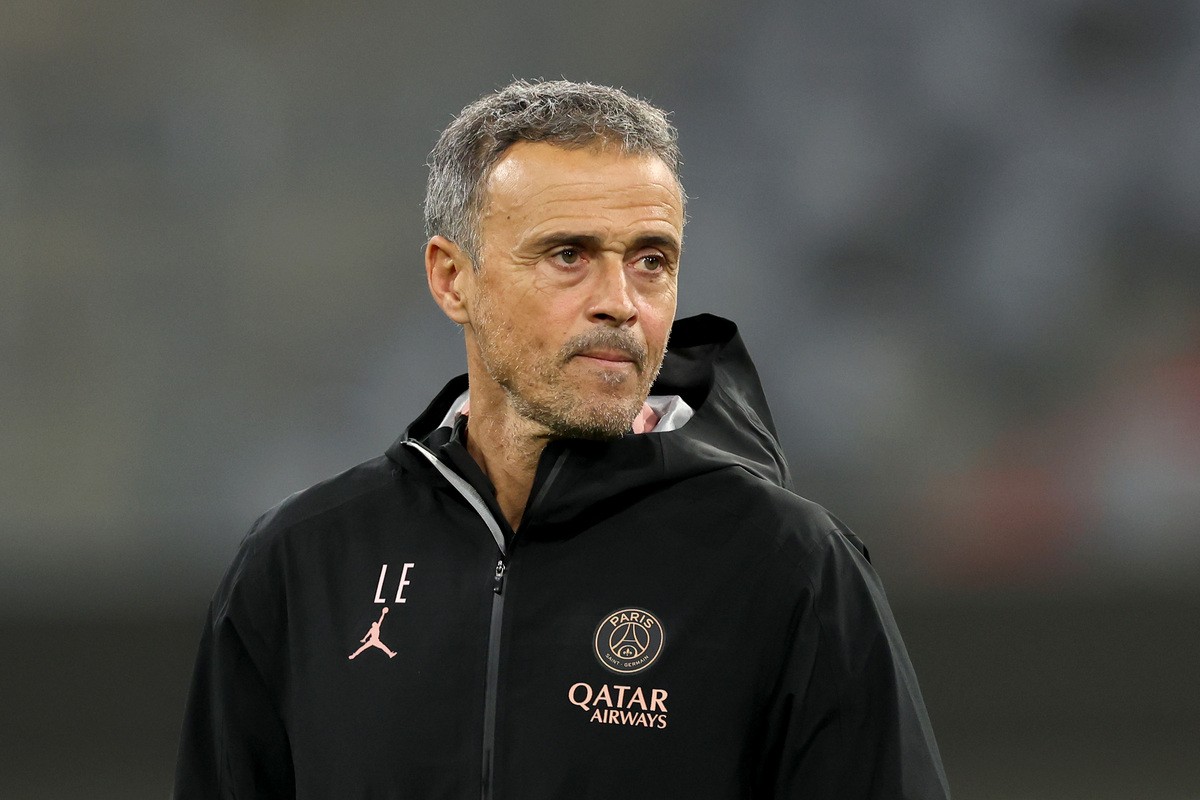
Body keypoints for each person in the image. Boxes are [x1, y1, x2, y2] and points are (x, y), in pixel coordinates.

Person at [174, 79, 951, 799]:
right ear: (452, 278)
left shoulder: (791, 567)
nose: (620, 302)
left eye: (651, 261)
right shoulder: (301, 563)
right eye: (568, 255)